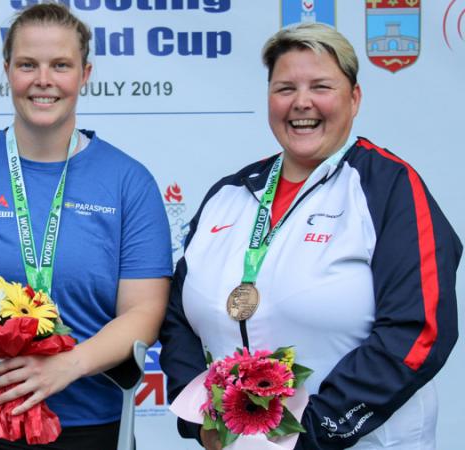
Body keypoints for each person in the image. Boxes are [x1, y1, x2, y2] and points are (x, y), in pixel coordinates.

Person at [159, 23, 461, 450]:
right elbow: (177, 318)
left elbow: (418, 331)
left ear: (354, 99)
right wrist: (202, 418)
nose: (302, 102)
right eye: (285, 88)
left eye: (321, 86)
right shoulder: (229, 193)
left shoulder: (390, 187)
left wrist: (309, 434)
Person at [0, 3, 172, 449]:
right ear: (7, 71)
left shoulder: (128, 182)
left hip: (82, 419)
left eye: (60, 65)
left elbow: (144, 312)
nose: (44, 79)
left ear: (85, 74)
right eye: (28, 65)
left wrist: (67, 363)